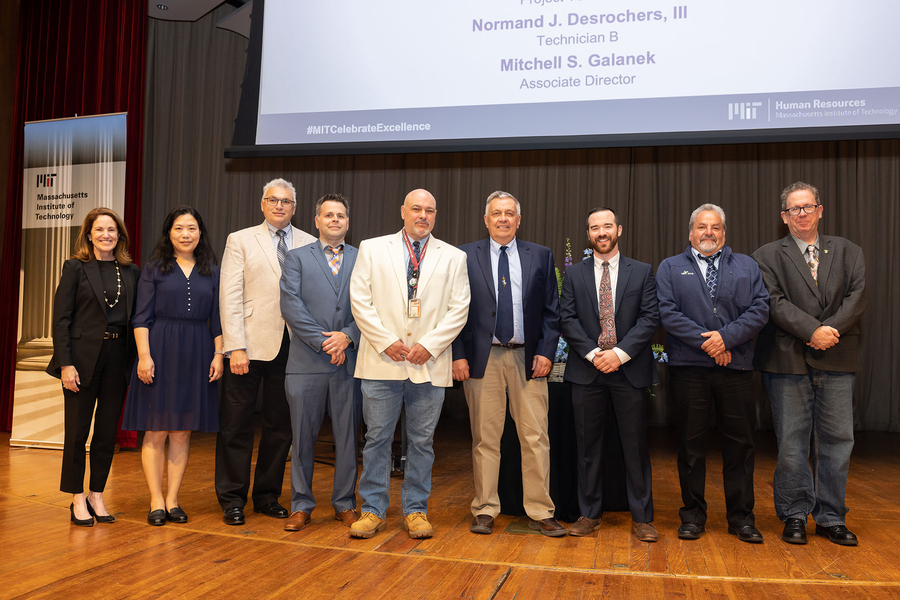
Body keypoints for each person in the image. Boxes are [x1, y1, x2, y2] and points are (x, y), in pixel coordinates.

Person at [348, 188, 470, 539]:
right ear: (403, 211)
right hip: (381, 360)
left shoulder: (453, 256)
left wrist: (429, 346)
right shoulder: (372, 248)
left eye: (429, 210)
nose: (423, 216)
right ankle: (372, 510)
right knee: (376, 440)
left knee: (422, 443)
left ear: (435, 215)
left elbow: (458, 309)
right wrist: (387, 341)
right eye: (416, 209)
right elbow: (360, 300)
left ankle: (416, 510)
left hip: (427, 365)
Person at [753, 182, 866, 546]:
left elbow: (857, 298)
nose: (801, 214)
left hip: (837, 355)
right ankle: (795, 515)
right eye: (793, 209)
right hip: (787, 360)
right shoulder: (766, 255)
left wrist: (828, 330)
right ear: (784, 217)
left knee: (837, 441)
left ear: (819, 210)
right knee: (791, 443)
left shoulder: (850, 251)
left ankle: (831, 517)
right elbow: (773, 302)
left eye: (807, 207)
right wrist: (812, 331)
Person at [451, 191, 563, 537]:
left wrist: (546, 351)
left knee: (535, 437)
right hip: (482, 359)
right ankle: (485, 508)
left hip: (527, 357)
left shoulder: (540, 255)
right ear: (486, 220)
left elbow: (551, 311)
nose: (503, 219)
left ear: (519, 219)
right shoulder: (465, 255)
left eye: (509, 213)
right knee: (485, 438)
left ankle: (541, 510)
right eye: (496, 213)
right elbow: (452, 311)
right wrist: (457, 355)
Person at [656, 204, 769, 543]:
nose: (709, 232)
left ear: (724, 233)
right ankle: (692, 516)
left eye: (715, 227)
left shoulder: (747, 266)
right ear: (691, 233)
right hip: (689, 369)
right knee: (690, 447)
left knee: (740, 447)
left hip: (735, 369)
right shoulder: (670, 267)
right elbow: (667, 313)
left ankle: (741, 518)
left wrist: (726, 339)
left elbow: (760, 309)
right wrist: (711, 344)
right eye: (702, 227)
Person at [217, 178, 316, 526]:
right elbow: (229, 296)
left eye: (286, 201)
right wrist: (235, 347)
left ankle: (266, 496)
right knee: (236, 425)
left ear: (294, 206)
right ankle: (232, 499)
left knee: (281, 427)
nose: (279, 206)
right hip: (249, 345)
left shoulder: (310, 242)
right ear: (262, 204)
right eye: (273, 200)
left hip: (295, 347)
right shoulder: (241, 239)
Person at [559, 207, 659, 542]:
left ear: (619, 229)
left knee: (635, 446)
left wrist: (618, 355)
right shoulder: (574, 275)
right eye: (594, 228)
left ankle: (643, 517)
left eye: (607, 226)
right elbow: (567, 319)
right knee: (587, 448)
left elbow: (649, 319)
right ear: (588, 235)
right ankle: (589, 514)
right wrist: (593, 354)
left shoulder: (643, 272)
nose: (601, 232)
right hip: (587, 371)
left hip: (628, 370)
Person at [122, 206, 224, 526]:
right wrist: (144, 356)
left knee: (181, 431)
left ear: (200, 233)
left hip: (197, 349)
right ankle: (155, 500)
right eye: (179, 228)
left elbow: (220, 321)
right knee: (156, 429)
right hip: (160, 348)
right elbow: (141, 317)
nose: (185, 234)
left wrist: (218, 355)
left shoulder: (212, 270)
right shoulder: (155, 269)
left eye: (191, 228)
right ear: (169, 232)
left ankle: (173, 500)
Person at [47, 208, 141, 526]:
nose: (106, 235)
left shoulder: (130, 271)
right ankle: (76, 497)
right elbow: (61, 320)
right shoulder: (75, 267)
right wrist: (66, 364)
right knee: (77, 433)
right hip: (81, 360)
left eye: (112, 230)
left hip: (118, 358)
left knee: (105, 433)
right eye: (99, 229)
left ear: (120, 235)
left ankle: (96, 494)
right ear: (89, 234)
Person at [279, 193, 362, 532]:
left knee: (348, 438)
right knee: (302, 437)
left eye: (340, 215)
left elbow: (373, 307)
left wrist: (347, 336)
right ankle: (301, 504)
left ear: (347, 221)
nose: (335, 220)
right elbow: (291, 306)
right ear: (317, 221)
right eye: (329, 215)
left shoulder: (364, 258)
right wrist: (326, 341)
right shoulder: (296, 258)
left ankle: (345, 503)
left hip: (350, 362)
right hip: (306, 362)